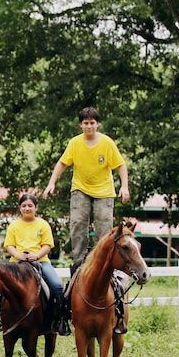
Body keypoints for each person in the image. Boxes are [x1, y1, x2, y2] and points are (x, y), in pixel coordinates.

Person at [43, 106, 130, 274]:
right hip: (80, 188)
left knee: (104, 227)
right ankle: (79, 263)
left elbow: (120, 165)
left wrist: (124, 187)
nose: (89, 126)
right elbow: (62, 163)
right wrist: (51, 183)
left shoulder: (107, 143)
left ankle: (103, 261)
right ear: (80, 125)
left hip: (104, 190)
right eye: (86, 123)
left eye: (92, 123)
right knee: (77, 223)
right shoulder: (75, 143)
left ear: (98, 124)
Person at [3, 193, 71, 336]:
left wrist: (37, 255)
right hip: (17, 263)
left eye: (30, 206)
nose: (27, 208)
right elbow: (9, 245)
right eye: (24, 206)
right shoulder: (14, 226)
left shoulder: (43, 224)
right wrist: (18, 255)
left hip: (40, 261)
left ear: (36, 208)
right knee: (0, 286)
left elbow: (47, 245)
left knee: (57, 286)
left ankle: (59, 319)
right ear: (19, 208)